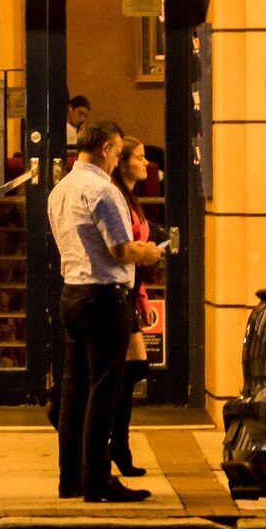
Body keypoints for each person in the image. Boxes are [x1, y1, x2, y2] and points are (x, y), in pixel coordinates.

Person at [46, 119, 154, 502]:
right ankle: (98, 479)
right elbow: (121, 250)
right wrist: (152, 252)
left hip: (71, 294)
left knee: (73, 391)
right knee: (104, 391)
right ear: (107, 150)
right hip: (105, 297)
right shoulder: (103, 191)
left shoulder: (60, 190)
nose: (116, 160)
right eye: (117, 151)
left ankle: (69, 478)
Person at [107, 134, 164, 479]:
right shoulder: (116, 199)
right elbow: (125, 249)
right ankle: (115, 443)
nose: (147, 163)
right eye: (140, 157)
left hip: (131, 290)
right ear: (123, 160)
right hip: (117, 290)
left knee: (134, 369)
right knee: (126, 371)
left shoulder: (131, 198)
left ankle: (118, 443)